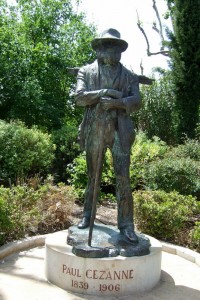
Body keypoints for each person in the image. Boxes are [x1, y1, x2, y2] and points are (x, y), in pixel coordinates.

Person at [75, 28, 141, 243]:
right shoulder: (86, 71)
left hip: (120, 132)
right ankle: (87, 216)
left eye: (115, 48)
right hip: (95, 129)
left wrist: (118, 102)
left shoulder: (129, 76)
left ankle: (126, 225)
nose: (111, 52)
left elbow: (137, 101)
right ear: (99, 51)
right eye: (107, 48)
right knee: (93, 176)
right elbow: (79, 98)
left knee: (123, 178)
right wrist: (102, 94)